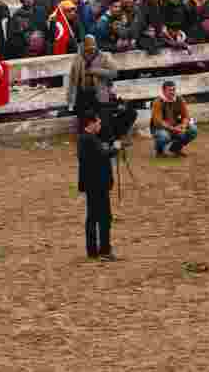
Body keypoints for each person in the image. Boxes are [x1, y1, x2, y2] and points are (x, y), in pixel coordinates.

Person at [78, 112, 120, 261]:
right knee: (104, 218)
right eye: (98, 123)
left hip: (92, 185)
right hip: (98, 185)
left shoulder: (84, 138)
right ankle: (104, 250)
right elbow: (102, 155)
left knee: (93, 217)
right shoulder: (89, 139)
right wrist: (115, 149)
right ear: (91, 123)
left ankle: (92, 250)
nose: (100, 125)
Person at [67, 35, 117, 118]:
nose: (91, 50)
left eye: (93, 47)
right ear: (84, 46)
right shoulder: (78, 58)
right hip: (82, 96)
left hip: (100, 95)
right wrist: (70, 101)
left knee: (102, 122)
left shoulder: (104, 56)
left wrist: (96, 70)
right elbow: (72, 80)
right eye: (88, 48)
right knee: (83, 122)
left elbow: (114, 73)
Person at [151, 80, 197, 157]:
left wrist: (183, 125)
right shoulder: (157, 102)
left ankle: (176, 149)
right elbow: (158, 122)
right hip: (161, 128)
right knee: (163, 136)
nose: (172, 92)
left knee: (193, 129)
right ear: (163, 91)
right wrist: (173, 129)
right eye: (170, 90)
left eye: (174, 90)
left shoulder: (179, 99)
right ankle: (159, 151)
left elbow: (186, 116)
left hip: (176, 126)